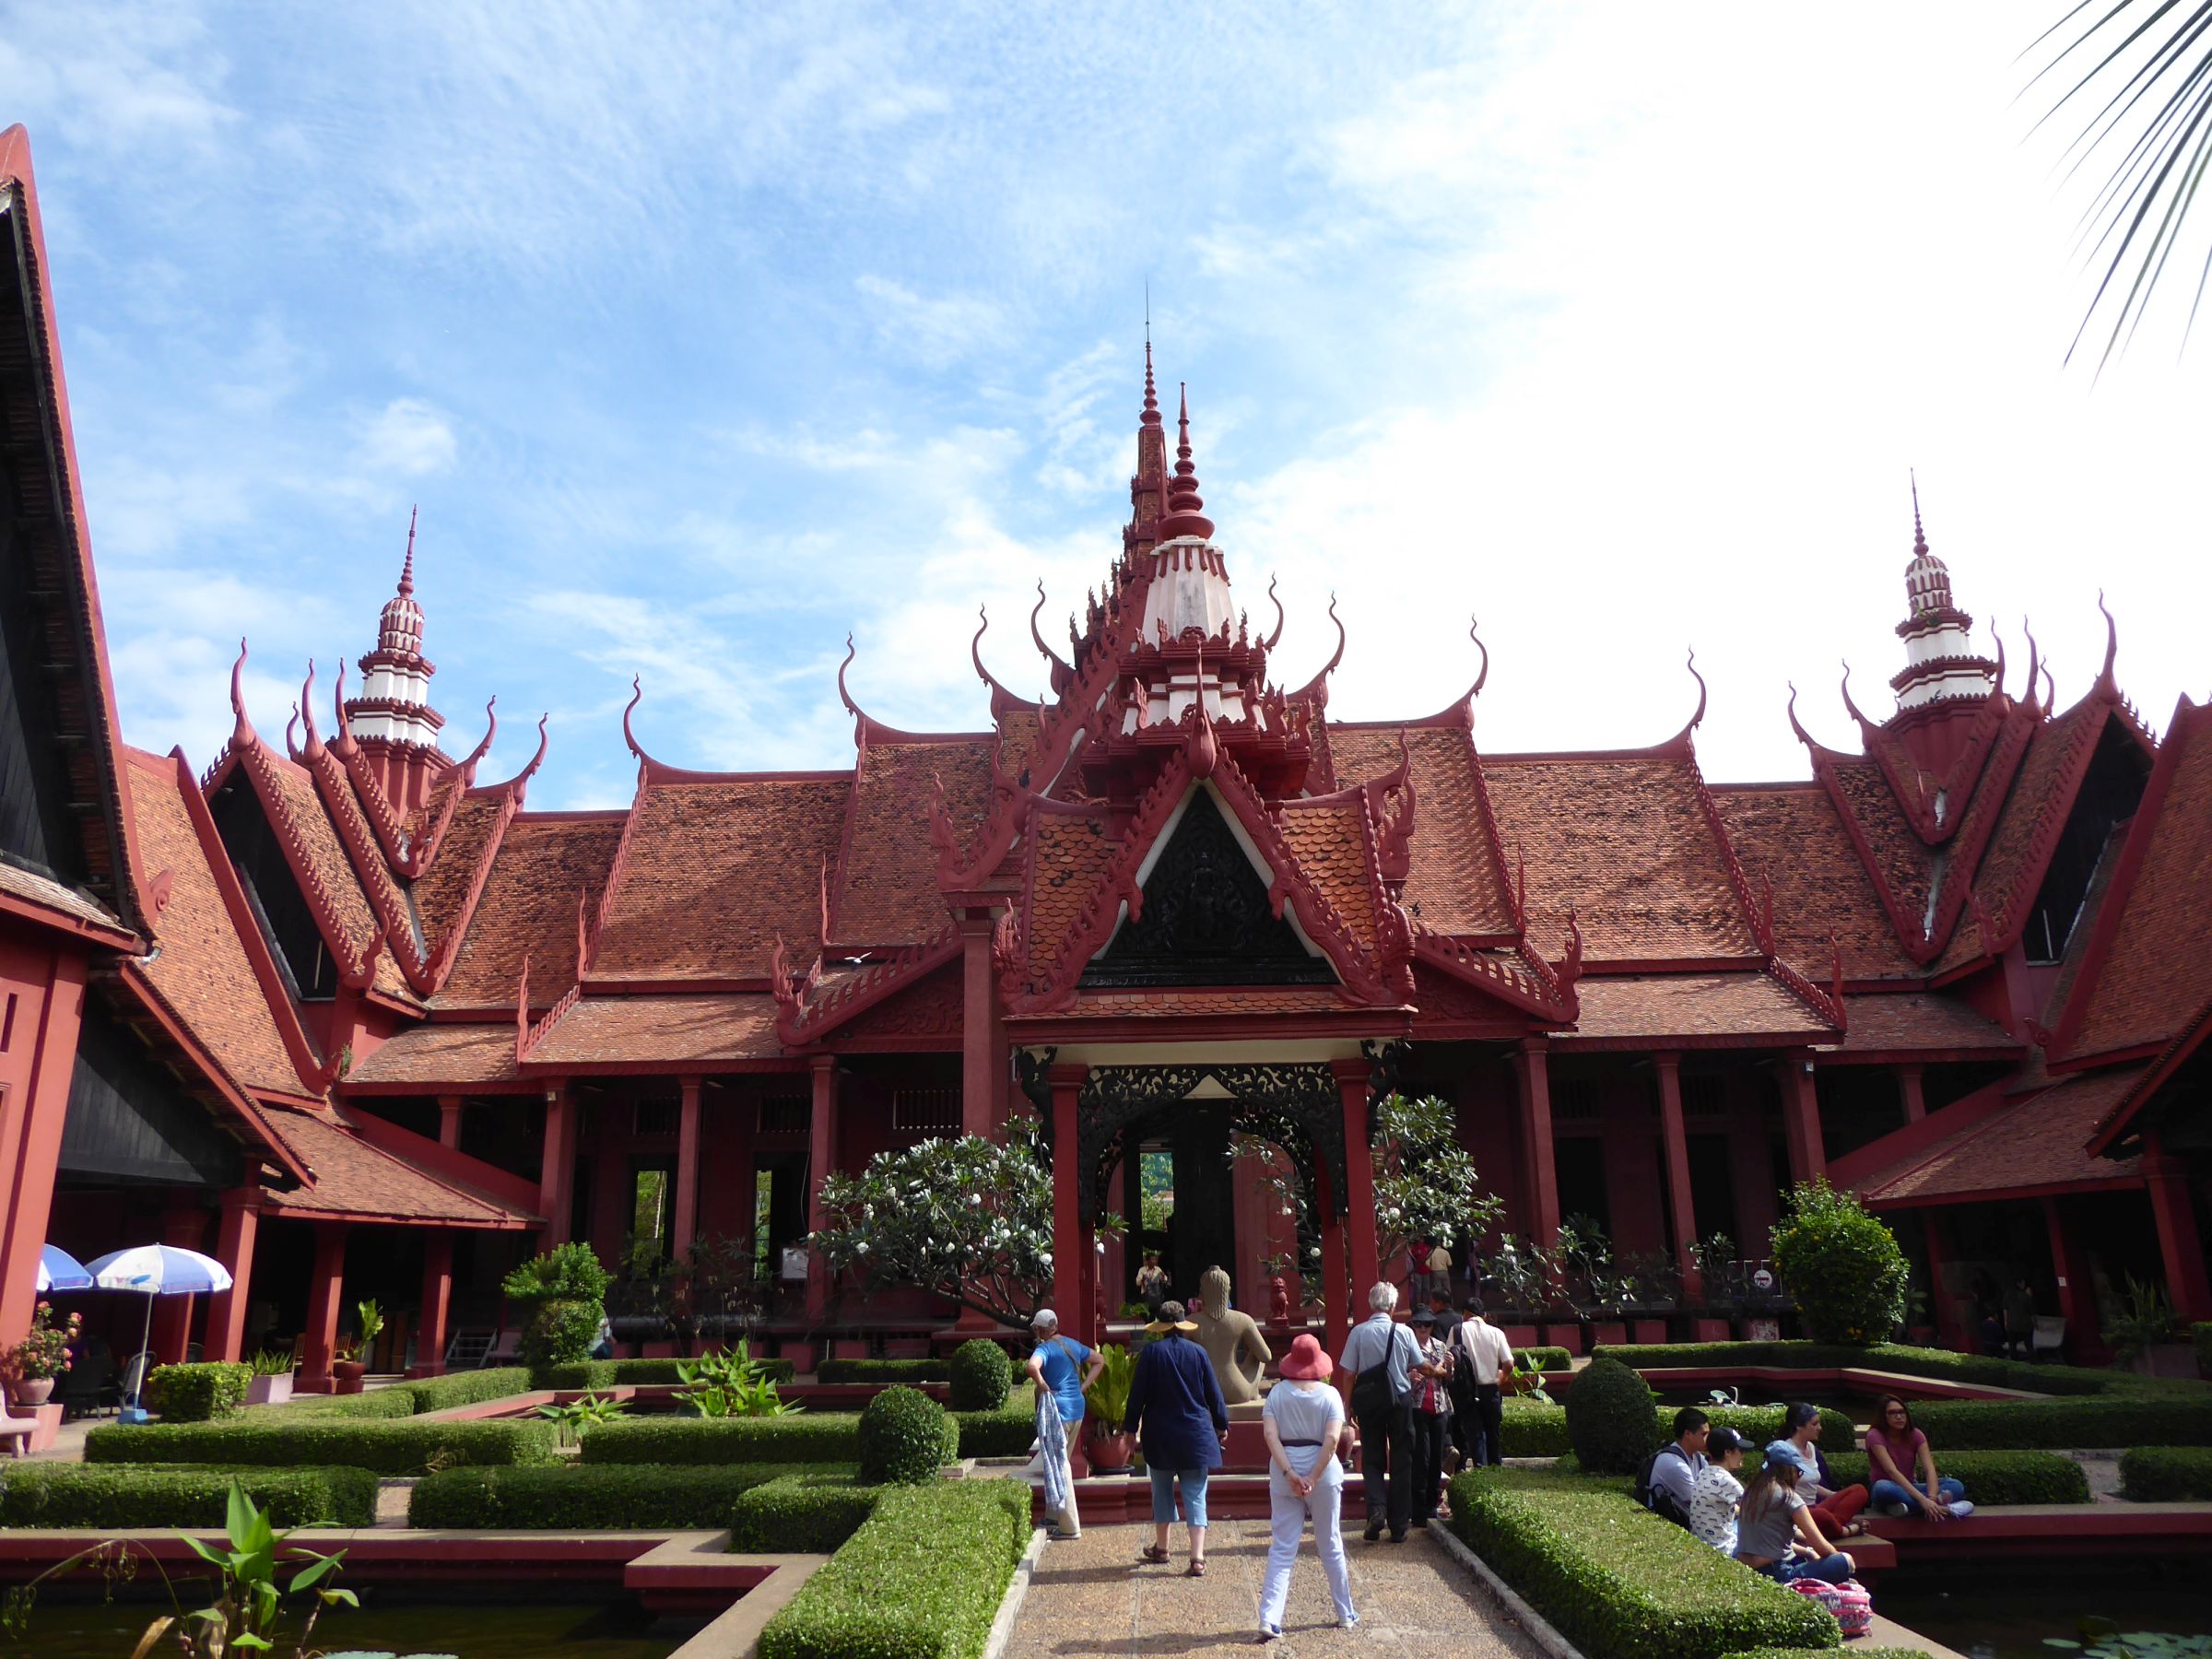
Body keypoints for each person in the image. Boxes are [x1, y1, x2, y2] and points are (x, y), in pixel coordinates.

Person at [1257, 1333, 1358, 1640]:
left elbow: (1270, 1436)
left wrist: (1290, 1473)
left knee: (1282, 1547)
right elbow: (1333, 1439)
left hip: (1284, 1470)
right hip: (1323, 1473)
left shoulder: (1277, 1394)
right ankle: (1345, 1613)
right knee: (1330, 1543)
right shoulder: (1329, 1396)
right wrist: (1312, 1476)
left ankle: (1270, 1618)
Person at [1124, 1300, 1229, 1576]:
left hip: (1160, 1434)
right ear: (1183, 1326)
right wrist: (1221, 1424)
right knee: (1195, 1494)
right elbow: (1214, 1394)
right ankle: (1197, 1557)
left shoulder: (1150, 1354)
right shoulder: (1199, 1353)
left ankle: (1163, 1547)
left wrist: (1129, 1429)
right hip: (1196, 1434)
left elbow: (1137, 1396)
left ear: (1160, 1327)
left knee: (1161, 1491)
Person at [1338, 1280, 1420, 1543]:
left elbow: (1348, 1373)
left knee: (1372, 1457)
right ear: (1393, 1306)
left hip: (1370, 1401)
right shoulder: (1404, 1332)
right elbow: (1418, 1364)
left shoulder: (1358, 1333)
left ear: (1371, 1304)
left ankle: (1376, 1509)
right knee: (1402, 1459)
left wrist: (1347, 1406)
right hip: (1399, 1400)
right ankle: (1399, 1525)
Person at [1024, 1308, 1104, 1541]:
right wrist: (1083, 1387)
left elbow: (1032, 1367)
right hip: (1076, 1409)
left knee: (1059, 1466)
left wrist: (1042, 1385)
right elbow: (1099, 1360)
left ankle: (1070, 1527)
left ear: (1040, 1330)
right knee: (1060, 1461)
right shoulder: (1072, 1344)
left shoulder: (1044, 1349)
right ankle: (1053, 1515)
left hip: (1058, 1412)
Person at [1735, 1442, 1856, 1586]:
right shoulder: (1788, 1497)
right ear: (1789, 1471)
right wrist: (1838, 1562)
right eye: (1799, 1472)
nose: (1798, 1477)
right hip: (1779, 1573)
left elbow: (1772, 1545)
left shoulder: (1751, 1492)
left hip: (1749, 1569)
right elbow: (1823, 1548)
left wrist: (1808, 1553)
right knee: (1846, 1561)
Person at [1865, 1394, 1973, 1520]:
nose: (1899, 1417)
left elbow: (1929, 1468)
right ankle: (1947, 1509)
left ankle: (1906, 1508)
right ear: (1883, 1416)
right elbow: (1892, 1471)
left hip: (1912, 1487)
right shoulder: (1875, 1435)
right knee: (1883, 1488)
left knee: (1956, 1485)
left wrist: (1931, 1498)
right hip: (1890, 1487)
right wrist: (1923, 1500)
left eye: (1902, 1412)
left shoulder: (1916, 1435)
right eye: (1892, 1413)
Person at [1773, 1402, 1869, 1538]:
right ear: (1799, 1426)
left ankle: (1831, 1528)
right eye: (1814, 1424)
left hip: (1815, 1508)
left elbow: (1809, 1483)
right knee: (1822, 1516)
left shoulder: (1811, 1448)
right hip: (1797, 1512)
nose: (1819, 1428)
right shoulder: (1784, 1451)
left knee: (1859, 1491)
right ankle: (1844, 1530)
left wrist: (1835, 1495)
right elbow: (1779, 1488)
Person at [1448, 1295, 1513, 1468]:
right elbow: (1509, 1363)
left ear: (1465, 1313)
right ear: (1483, 1315)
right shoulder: (1496, 1333)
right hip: (1491, 1389)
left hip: (1468, 1390)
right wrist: (1500, 1378)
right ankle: (1496, 1468)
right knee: (1493, 1433)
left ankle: (1481, 1470)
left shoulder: (1457, 1330)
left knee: (1475, 1435)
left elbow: (1449, 1360)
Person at [1193, 1265, 1273, 1406]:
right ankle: (1252, 1391)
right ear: (1228, 1291)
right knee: (1258, 1357)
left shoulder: (1190, 1322)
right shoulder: (1243, 1319)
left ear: (1202, 1292)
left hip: (1203, 1391)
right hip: (1236, 1391)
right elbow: (1266, 1356)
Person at [1408, 1311, 1454, 1525]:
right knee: (1422, 1458)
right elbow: (1399, 1374)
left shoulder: (1440, 1347)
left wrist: (1449, 1367)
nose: (1423, 1328)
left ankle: (1432, 1505)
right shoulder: (1408, 1346)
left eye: (1427, 1324)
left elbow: (1448, 1378)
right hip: (1418, 1406)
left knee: (1436, 1459)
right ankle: (1418, 1509)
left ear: (1432, 1326)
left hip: (1439, 1406)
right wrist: (1409, 1377)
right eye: (1419, 1324)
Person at [1640, 1406, 1709, 1527]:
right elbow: (1700, 1502)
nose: (1708, 1439)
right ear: (1688, 1434)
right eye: (1704, 1434)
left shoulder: (1697, 1457)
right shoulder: (1674, 1464)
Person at [1688, 1426, 1747, 1555]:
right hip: (1724, 1549)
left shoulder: (1703, 1472)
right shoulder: (1728, 1482)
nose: (1743, 1455)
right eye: (1741, 1450)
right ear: (1727, 1452)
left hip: (1701, 1543)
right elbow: (1757, 1513)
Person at [2003, 1277, 2036, 1360]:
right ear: (2019, 1284)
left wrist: (2006, 1321)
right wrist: (2035, 1324)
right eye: (2023, 1283)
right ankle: (2032, 1360)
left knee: (2012, 1346)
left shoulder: (2008, 1296)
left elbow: (2005, 1310)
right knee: (2029, 1345)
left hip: (2012, 1324)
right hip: (2025, 1325)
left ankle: (2014, 1361)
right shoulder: (2025, 1296)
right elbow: (2031, 1313)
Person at [1135, 1252, 1169, 1318]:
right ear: (1147, 1261)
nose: (1154, 1261)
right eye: (1152, 1259)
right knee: (1147, 1316)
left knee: (1158, 1314)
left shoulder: (1158, 1269)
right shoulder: (1142, 1270)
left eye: (1155, 1259)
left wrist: (1163, 1276)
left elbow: (1165, 1280)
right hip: (1146, 1296)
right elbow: (1137, 1283)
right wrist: (1142, 1279)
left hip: (1156, 1296)